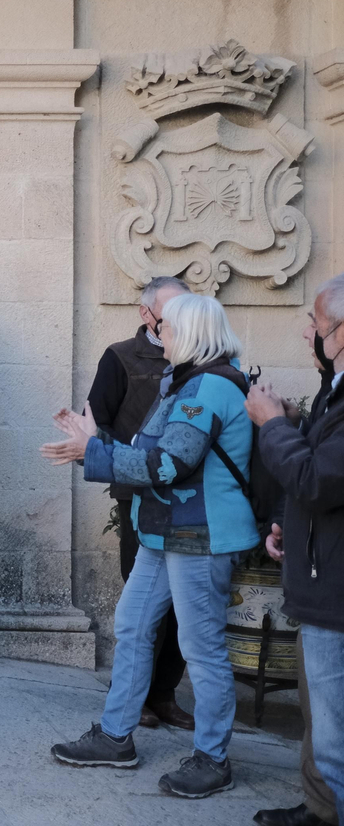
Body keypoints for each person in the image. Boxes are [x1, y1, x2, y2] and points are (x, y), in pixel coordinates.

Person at [44, 292, 255, 799]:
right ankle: (116, 737)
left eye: (169, 327)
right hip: (166, 531)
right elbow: (147, 451)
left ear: (193, 333)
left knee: (200, 649)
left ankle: (213, 758)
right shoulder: (185, 381)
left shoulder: (210, 386)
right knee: (133, 625)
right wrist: (95, 439)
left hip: (201, 536)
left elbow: (167, 465)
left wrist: (90, 452)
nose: (161, 335)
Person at [246, 272, 344, 826]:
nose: (308, 332)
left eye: (317, 322)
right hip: (325, 581)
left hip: (337, 600)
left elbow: (314, 474)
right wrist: (293, 525)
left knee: (339, 750)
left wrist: (273, 424)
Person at [84, 275, 194, 731]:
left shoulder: (198, 361)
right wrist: (132, 455)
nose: (175, 321)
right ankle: (135, 696)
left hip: (188, 497)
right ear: (146, 313)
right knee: (142, 597)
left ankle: (164, 693)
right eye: (169, 312)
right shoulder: (121, 357)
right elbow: (95, 421)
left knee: (182, 604)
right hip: (139, 494)